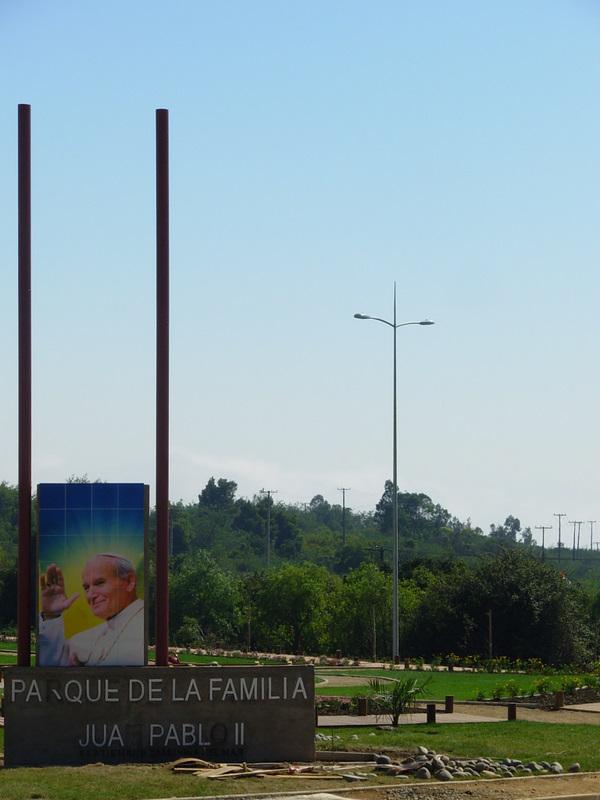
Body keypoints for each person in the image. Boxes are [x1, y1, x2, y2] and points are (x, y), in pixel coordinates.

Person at [38, 553, 144, 666]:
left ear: (129, 582)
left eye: (100, 583)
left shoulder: (146, 623)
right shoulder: (82, 639)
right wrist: (52, 615)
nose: (90, 595)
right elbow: (51, 666)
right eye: (86, 588)